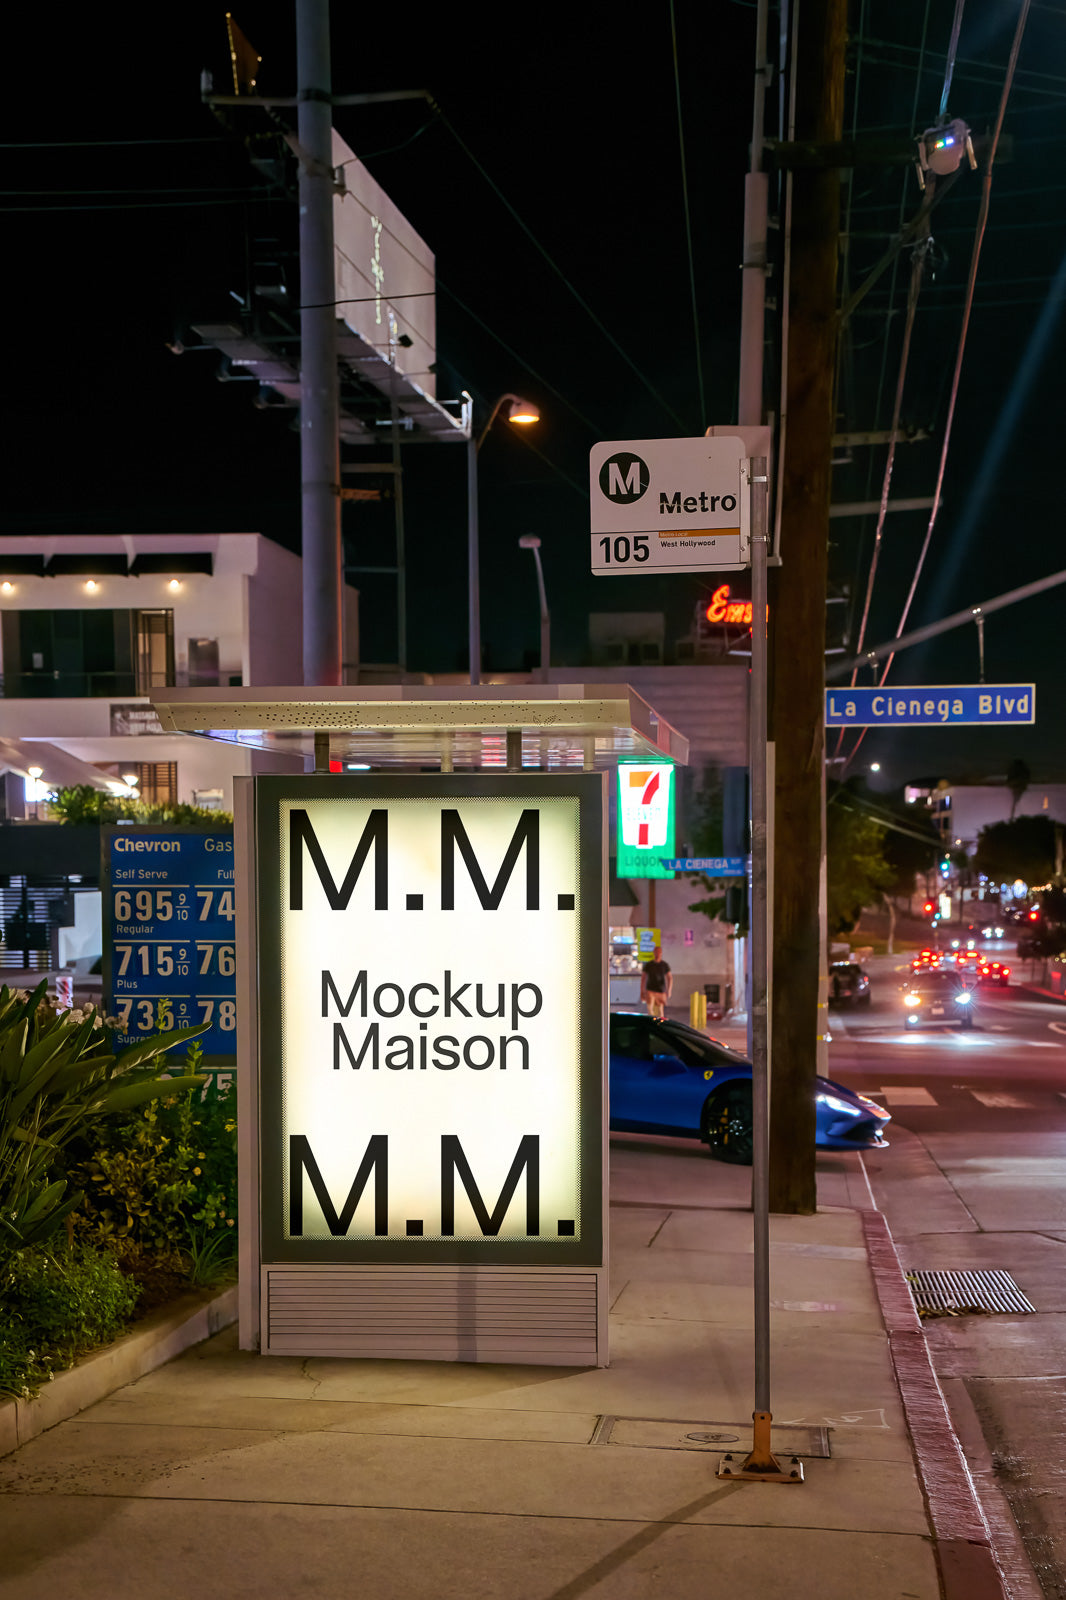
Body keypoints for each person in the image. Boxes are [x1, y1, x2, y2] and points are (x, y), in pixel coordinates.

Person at [641, 946, 672, 1020]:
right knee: (650, 1009)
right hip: (650, 990)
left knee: (660, 1011)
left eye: (659, 952)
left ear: (661, 953)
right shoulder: (649, 965)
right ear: (654, 953)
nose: (657, 954)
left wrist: (669, 990)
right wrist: (642, 991)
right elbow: (643, 978)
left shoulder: (664, 965)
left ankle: (660, 1025)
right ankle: (652, 1024)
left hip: (660, 991)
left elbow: (669, 977)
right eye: (656, 952)